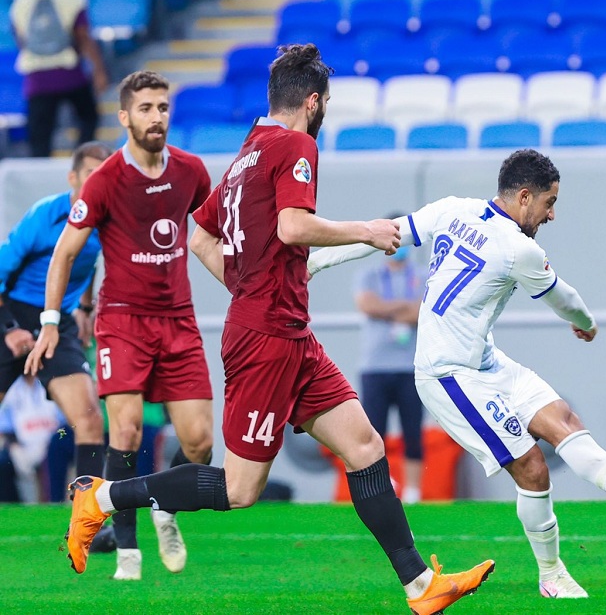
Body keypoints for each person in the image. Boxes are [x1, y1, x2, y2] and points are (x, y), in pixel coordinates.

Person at [58, 45, 492, 615]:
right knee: (240, 490)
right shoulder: (295, 144)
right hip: (268, 337)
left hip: (286, 330)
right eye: (325, 103)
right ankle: (104, 496)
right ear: (313, 102)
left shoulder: (246, 155)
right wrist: (366, 230)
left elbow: (200, 238)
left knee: (363, 444)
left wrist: (246, 288)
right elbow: (292, 226)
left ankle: (419, 586)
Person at [308, 148, 606, 599]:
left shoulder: (451, 209)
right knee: (532, 466)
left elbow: (381, 233)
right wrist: (587, 324)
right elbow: (565, 298)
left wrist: (312, 261)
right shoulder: (518, 249)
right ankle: (551, 574)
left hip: (486, 360)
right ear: (525, 197)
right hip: (447, 374)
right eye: (549, 202)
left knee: (563, 420)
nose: (552, 214)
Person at [26, 71, 213, 581]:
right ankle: (128, 553)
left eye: (164, 107)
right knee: (125, 430)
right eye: (147, 107)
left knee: (199, 443)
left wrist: (244, 285)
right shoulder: (105, 179)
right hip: (123, 321)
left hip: (178, 319)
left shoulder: (193, 172)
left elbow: (205, 240)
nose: (157, 116)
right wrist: (50, 322)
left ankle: (164, 505)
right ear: (124, 116)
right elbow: (65, 252)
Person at [0, 141, 108, 492]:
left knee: (90, 420)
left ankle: (87, 523)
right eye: (91, 175)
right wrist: (10, 328)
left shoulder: (106, 221)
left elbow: (87, 262)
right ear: (73, 177)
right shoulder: (44, 215)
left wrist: (86, 310)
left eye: (104, 175)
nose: (98, 182)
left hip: (56, 320)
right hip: (11, 311)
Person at [9, 0, 108, 157]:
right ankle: (81, 164)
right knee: (88, 118)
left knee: (40, 136)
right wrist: (99, 70)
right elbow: (83, 37)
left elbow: (20, 37)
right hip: (69, 73)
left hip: (37, 77)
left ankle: (40, 181)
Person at [354, 235, 426, 504]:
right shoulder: (369, 274)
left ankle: (413, 493)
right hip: (375, 367)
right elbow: (367, 305)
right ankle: (379, 488)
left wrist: (385, 309)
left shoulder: (422, 275)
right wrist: (404, 307)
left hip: (411, 367)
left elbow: (424, 312)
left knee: (413, 431)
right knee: (374, 432)